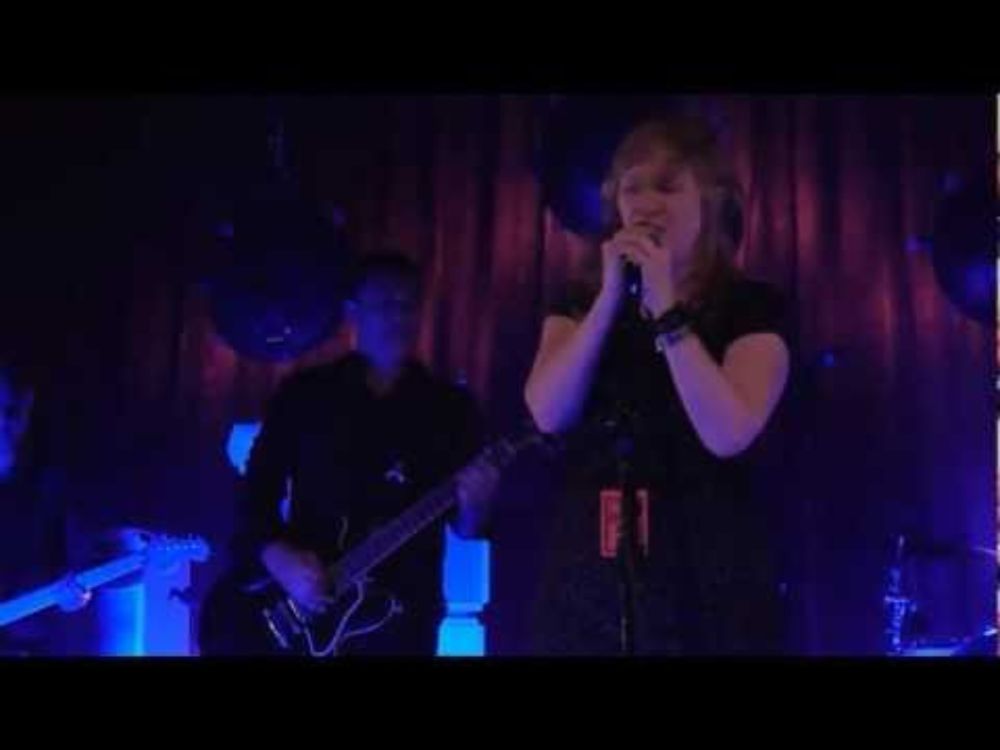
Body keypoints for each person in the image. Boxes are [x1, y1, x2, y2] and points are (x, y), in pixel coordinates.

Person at [524, 114, 792, 655]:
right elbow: (547, 412)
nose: (646, 203)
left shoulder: (751, 308)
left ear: (709, 201)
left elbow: (729, 432)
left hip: (705, 568)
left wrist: (666, 308)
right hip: (592, 572)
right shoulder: (580, 305)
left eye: (668, 187)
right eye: (633, 188)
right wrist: (607, 303)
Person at [200, 252, 498, 655]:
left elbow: (467, 526)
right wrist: (280, 559)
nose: (398, 317)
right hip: (309, 613)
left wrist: (478, 505)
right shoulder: (306, 396)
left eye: (408, 305)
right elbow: (255, 495)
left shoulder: (450, 410)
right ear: (352, 312)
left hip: (403, 622)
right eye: (385, 304)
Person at [0, 355, 90, 655]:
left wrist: (74, 598)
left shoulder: (51, 485)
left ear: (26, 409)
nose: (2, 424)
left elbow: (74, 570)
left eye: (10, 411)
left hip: (30, 644)